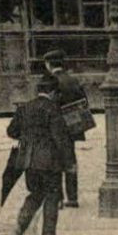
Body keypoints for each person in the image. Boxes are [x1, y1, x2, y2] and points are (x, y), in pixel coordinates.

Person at [7, 74, 75, 235]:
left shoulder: (25, 108)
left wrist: (28, 134)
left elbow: (11, 131)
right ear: (52, 92)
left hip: (28, 161)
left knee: (35, 195)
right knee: (52, 196)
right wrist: (69, 163)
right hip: (49, 162)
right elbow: (60, 138)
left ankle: (19, 229)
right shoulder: (53, 109)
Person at [43, 49, 90, 208]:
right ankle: (73, 198)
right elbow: (84, 102)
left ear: (48, 64)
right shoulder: (73, 80)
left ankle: (58, 199)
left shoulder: (48, 82)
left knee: (54, 163)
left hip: (54, 128)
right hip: (72, 126)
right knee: (70, 160)